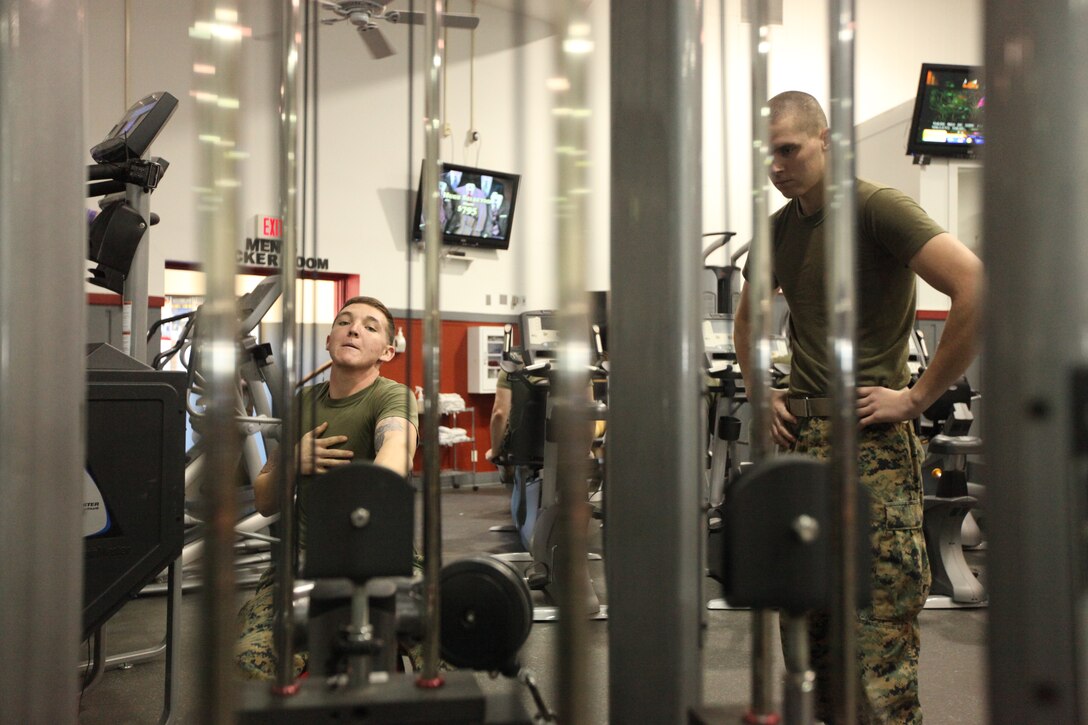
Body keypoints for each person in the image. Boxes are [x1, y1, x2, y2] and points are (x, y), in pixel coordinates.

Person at [733, 91, 983, 723]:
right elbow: (747, 318)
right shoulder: (779, 228)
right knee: (812, 654)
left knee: (876, 647)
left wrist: (919, 396)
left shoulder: (876, 208)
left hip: (870, 441)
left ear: (825, 142)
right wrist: (762, 390)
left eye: (788, 150)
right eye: (768, 154)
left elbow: (975, 284)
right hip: (802, 445)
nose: (777, 166)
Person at [236, 295, 419, 681]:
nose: (354, 329)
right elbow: (266, 500)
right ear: (328, 340)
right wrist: (293, 461)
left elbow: (397, 448)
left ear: (387, 351)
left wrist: (372, 487)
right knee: (251, 661)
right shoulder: (304, 402)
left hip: (387, 563)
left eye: (370, 327)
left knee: (457, 645)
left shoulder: (392, 396)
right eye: (345, 321)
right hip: (304, 565)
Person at [485, 369, 515, 483]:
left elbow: (499, 414)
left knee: (501, 456)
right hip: (559, 443)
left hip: (521, 448)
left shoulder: (510, 371)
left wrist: (494, 452)